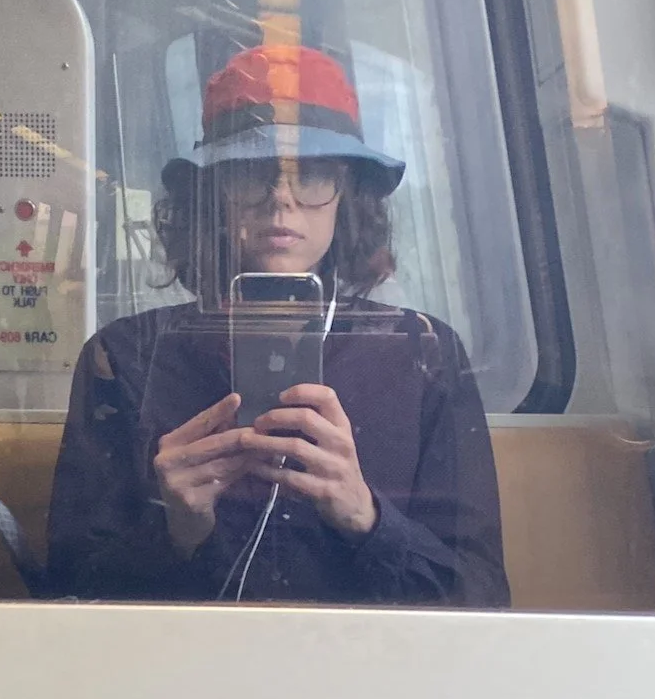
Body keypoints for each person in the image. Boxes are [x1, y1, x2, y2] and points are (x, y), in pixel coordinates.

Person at [47, 44, 509, 606]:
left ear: (349, 198)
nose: (281, 201)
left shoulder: (422, 351)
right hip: (183, 675)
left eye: (311, 175)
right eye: (251, 174)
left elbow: (482, 600)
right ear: (212, 197)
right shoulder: (126, 356)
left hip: (371, 674)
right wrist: (174, 535)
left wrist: (366, 518)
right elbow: (68, 598)